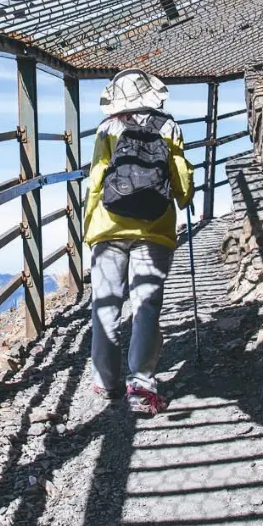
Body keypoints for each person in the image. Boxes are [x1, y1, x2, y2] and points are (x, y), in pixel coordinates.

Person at [84, 69, 194, 415]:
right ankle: (142, 385)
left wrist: (90, 225)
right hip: (155, 227)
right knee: (146, 305)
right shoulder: (169, 126)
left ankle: (106, 380)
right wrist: (182, 198)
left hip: (109, 226)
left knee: (106, 303)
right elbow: (182, 180)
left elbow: (97, 179)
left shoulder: (107, 128)